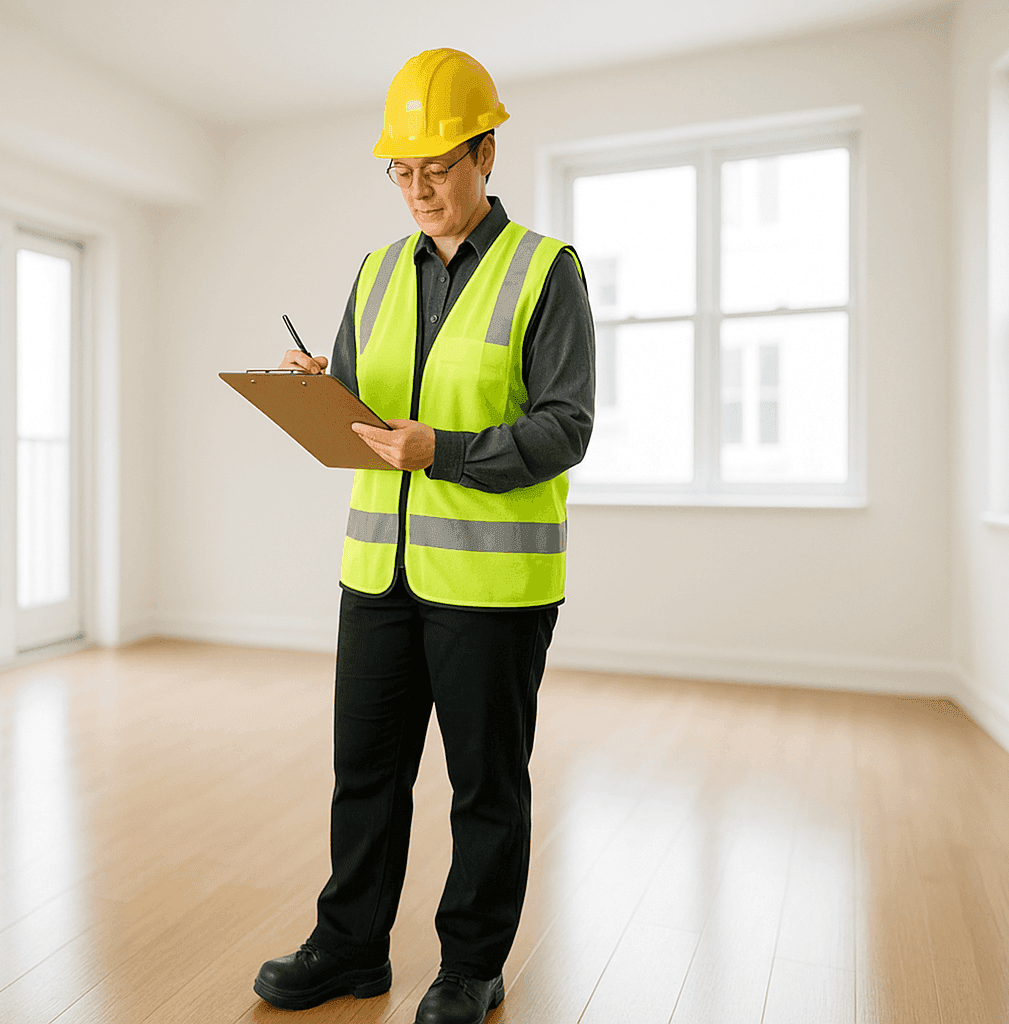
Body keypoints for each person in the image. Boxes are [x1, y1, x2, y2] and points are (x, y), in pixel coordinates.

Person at [252, 47, 594, 1024]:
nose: (418, 189)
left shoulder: (546, 272)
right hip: (378, 568)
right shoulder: (375, 271)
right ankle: (351, 943)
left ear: (486, 152)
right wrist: (321, 388)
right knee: (364, 770)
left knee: (485, 785)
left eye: (437, 167)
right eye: (401, 171)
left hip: (493, 586)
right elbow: (372, 414)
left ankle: (471, 965)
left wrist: (437, 449)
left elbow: (564, 427)